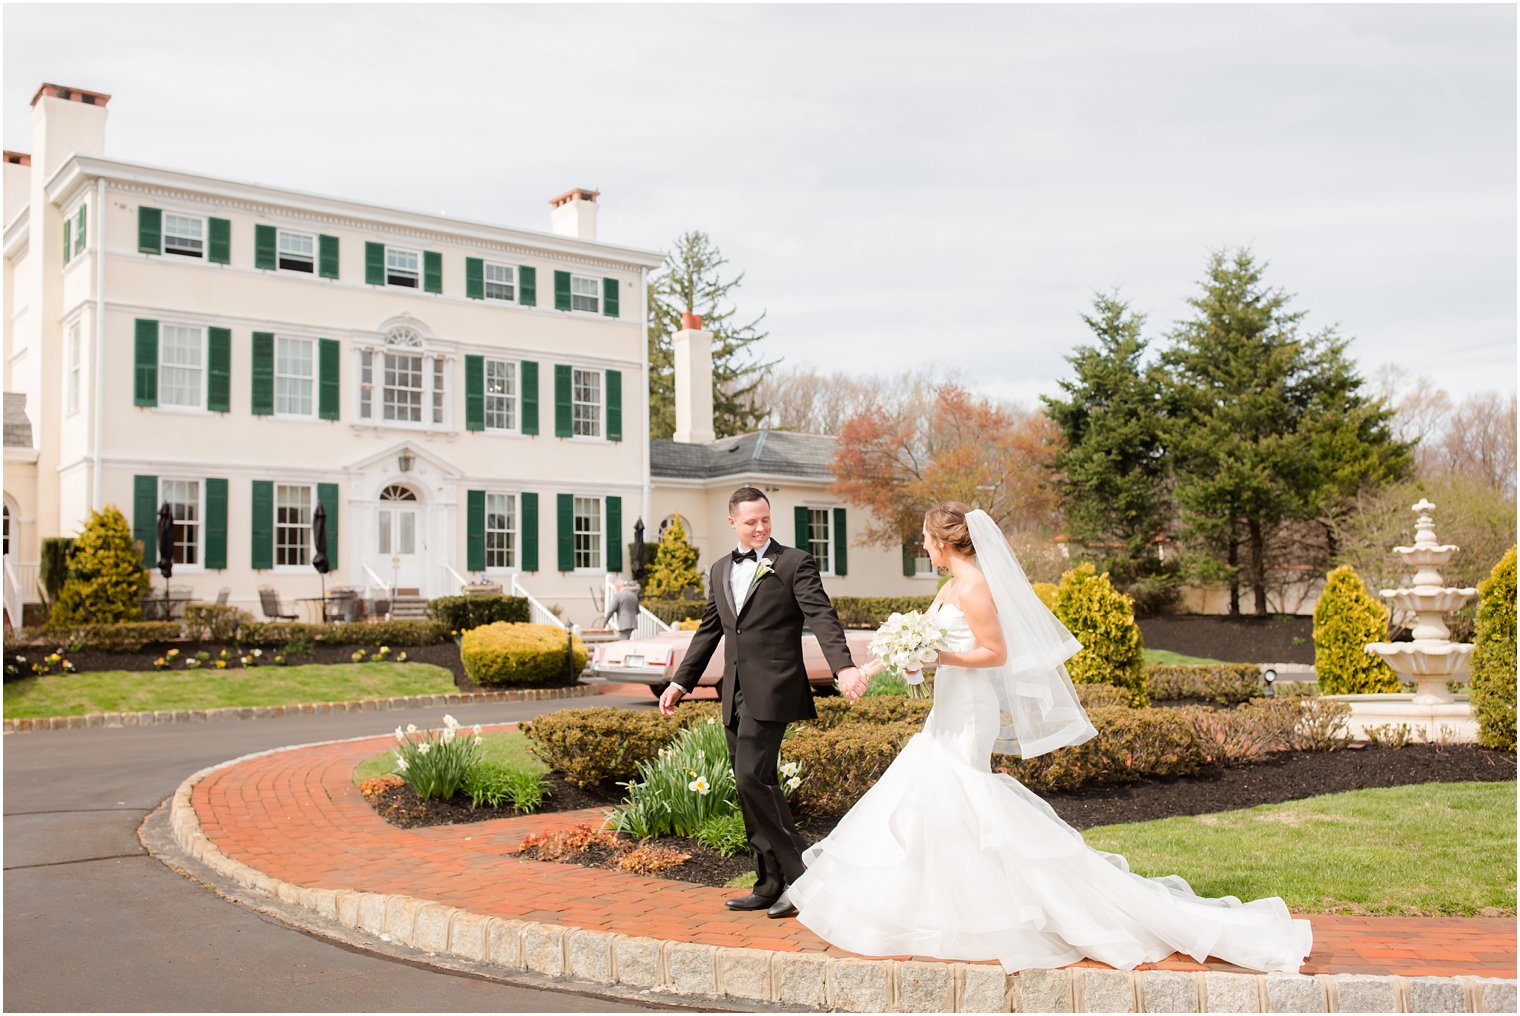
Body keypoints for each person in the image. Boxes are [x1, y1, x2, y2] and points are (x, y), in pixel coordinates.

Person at [787, 502, 1314, 974]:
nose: (922, 547)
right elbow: (920, 638)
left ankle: (1024, 905)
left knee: (955, 791)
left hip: (970, 710)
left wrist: (937, 656)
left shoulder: (976, 586)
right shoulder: (949, 587)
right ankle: (947, 908)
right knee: (938, 797)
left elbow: (995, 653)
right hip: (947, 703)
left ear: (943, 543)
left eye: (925, 539)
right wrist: (878, 663)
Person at [660, 486, 866, 919]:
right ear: (732, 522)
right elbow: (709, 631)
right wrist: (682, 682)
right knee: (750, 783)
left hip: (774, 689)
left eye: (766, 520)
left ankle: (806, 880)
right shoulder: (719, 569)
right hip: (732, 693)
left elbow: (822, 616)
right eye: (751, 521)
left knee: (752, 776)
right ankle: (768, 883)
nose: (760, 528)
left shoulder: (794, 564)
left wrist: (842, 667)